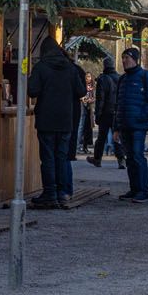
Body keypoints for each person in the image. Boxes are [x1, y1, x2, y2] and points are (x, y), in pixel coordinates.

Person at [28, 35, 86, 209]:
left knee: (48, 158)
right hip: (65, 120)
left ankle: (49, 194)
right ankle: (62, 193)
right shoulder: (70, 68)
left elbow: (32, 90)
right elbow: (81, 91)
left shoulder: (41, 67)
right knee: (61, 157)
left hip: (46, 119)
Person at [114, 47, 148, 203]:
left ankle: (143, 191)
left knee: (138, 156)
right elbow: (118, 105)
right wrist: (116, 127)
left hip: (138, 126)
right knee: (130, 158)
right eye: (123, 58)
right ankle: (134, 189)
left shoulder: (146, 76)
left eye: (127, 57)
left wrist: (142, 117)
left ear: (135, 59)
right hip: (124, 125)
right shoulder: (122, 79)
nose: (124, 61)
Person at [88, 55, 124, 169]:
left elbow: (100, 99)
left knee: (101, 137)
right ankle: (121, 160)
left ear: (104, 66)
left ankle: (97, 159)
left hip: (105, 113)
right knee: (116, 136)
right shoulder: (120, 78)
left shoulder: (103, 79)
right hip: (117, 112)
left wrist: (97, 114)